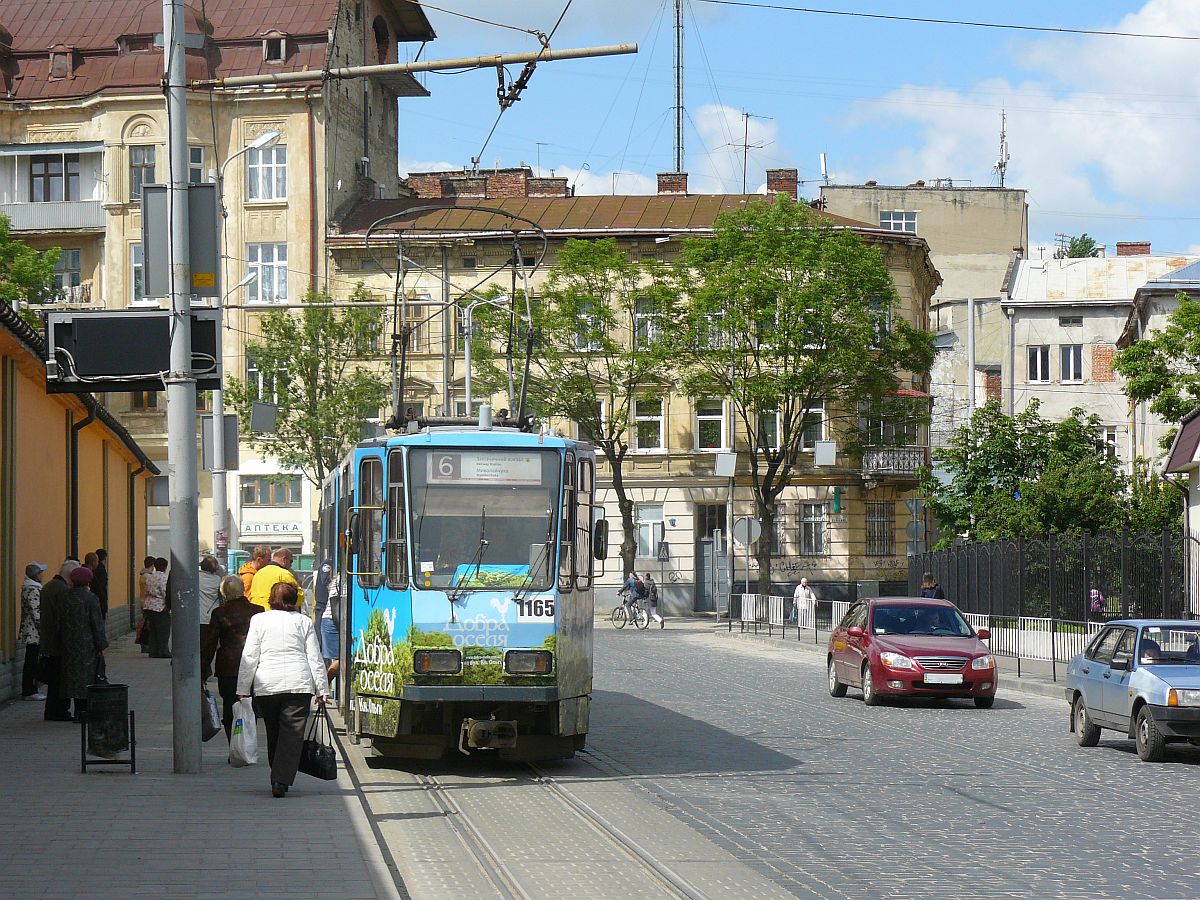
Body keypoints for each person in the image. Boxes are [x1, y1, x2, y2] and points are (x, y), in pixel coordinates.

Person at [237, 582, 330, 798]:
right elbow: (314, 657)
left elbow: (250, 655)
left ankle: (279, 775)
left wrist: (243, 687)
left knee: (274, 732)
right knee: (292, 734)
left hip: (267, 685)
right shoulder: (304, 622)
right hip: (299, 685)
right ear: (294, 599)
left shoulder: (259, 620)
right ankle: (280, 778)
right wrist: (322, 689)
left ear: (271, 598)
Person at [202, 575, 263, 741]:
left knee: (230, 707)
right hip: (253, 667)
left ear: (223, 593)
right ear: (243, 589)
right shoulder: (258, 611)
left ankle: (234, 745)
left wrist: (203, 668)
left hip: (228, 668)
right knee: (250, 706)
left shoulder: (219, 613)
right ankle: (248, 743)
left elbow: (210, 643)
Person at [60, 566, 108, 721]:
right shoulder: (91, 598)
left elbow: (58, 621)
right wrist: (101, 645)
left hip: (68, 643)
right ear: (88, 581)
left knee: (72, 677)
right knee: (87, 678)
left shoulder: (64, 597)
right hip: (87, 644)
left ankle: (76, 710)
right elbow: (97, 623)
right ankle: (84, 712)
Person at [40, 558, 79, 721]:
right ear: (70, 576)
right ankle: (59, 711)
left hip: (48, 639)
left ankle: (51, 710)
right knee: (61, 681)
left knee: (54, 681)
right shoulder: (63, 590)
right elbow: (64, 619)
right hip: (59, 642)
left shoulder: (48, 586)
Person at [19, 562, 48, 701]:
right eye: (41, 572)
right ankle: (29, 690)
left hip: (32, 631)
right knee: (32, 661)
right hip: (33, 632)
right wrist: (44, 629)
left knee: (32, 660)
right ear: (36, 575)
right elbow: (36, 612)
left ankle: (30, 689)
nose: (42, 575)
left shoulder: (32, 588)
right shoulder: (32, 589)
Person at [249, 547, 306, 612]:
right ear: (284, 560)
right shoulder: (284, 574)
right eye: (291, 561)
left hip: (257, 614)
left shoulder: (258, 573)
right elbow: (299, 597)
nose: (291, 565)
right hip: (274, 615)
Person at [313, 556, 340, 692]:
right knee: (336, 657)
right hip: (327, 613)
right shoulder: (328, 564)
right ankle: (323, 687)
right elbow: (325, 581)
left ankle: (323, 687)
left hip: (330, 616)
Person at [142, 557, 170, 658]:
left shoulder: (150, 576)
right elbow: (164, 592)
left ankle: (153, 651)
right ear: (165, 567)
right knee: (163, 630)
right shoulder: (163, 578)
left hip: (149, 605)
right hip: (160, 607)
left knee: (153, 630)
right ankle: (163, 651)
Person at [197, 556, 224, 648]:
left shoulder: (197, 577)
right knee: (209, 644)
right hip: (212, 614)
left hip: (198, 615)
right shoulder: (217, 580)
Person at [137, 555, 155, 654]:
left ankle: (145, 645)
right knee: (147, 626)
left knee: (145, 625)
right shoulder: (147, 576)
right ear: (152, 565)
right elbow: (151, 589)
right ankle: (145, 645)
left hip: (143, 601)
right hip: (147, 602)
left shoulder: (143, 575)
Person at [89, 549, 109, 619]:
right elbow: (101, 588)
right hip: (100, 602)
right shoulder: (101, 569)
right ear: (105, 558)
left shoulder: (93, 569)